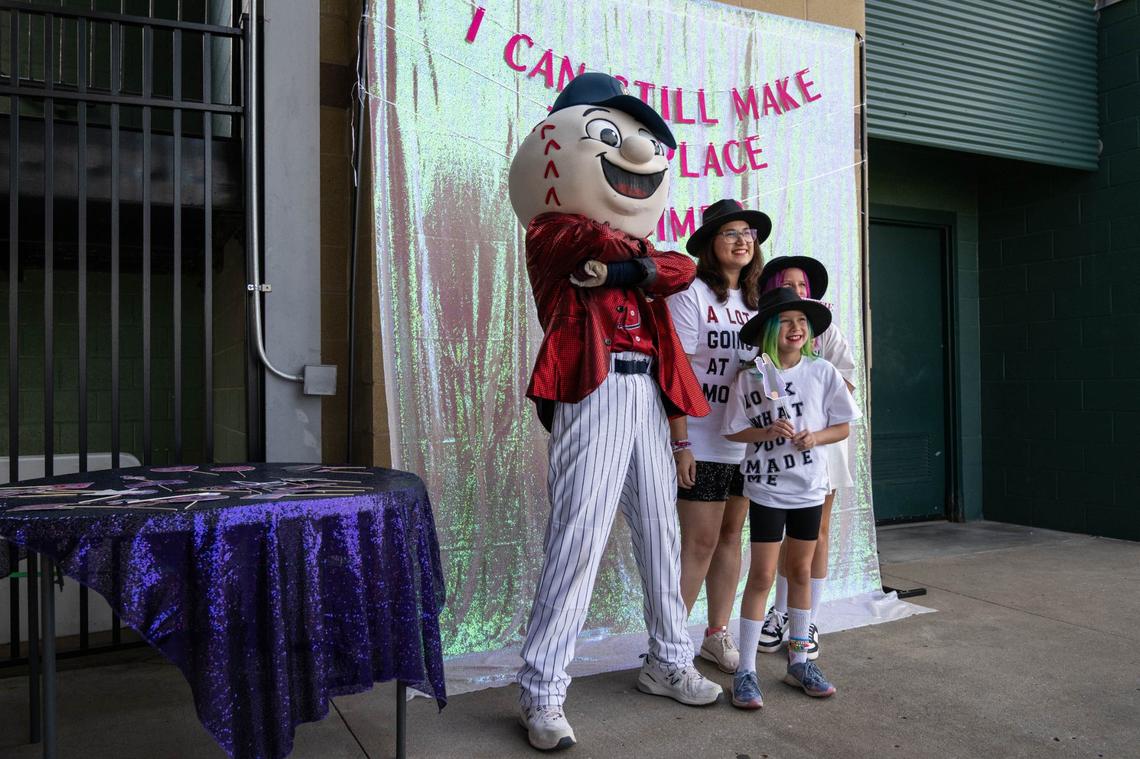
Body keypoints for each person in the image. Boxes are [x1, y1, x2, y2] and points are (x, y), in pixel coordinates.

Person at [506, 73, 721, 752]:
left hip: (646, 397)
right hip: (592, 390)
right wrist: (637, 263)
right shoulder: (551, 229)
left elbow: (683, 268)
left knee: (660, 531)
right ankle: (541, 690)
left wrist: (632, 272)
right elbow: (596, 246)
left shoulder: (634, 248)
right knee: (579, 534)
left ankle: (668, 659)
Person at [721, 287, 861, 708]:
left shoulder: (823, 373)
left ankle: (799, 660)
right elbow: (732, 429)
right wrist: (764, 432)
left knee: (799, 572)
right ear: (768, 329)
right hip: (765, 489)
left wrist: (814, 436)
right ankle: (745, 670)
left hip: (810, 488)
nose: (796, 328)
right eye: (786, 321)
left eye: (802, 321)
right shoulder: (750, 375)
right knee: (762, 576)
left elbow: (843, 426)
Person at [665, 199, 768, 673]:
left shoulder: (759, 304)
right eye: (730, 232)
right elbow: (676, 372)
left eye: (748, 232)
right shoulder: (691, 296)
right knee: (698, 544)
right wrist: (681, 442)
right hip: (702, 441)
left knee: (731, 537)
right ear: (710, 244)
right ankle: (668, 647)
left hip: (745, 443)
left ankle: (715, 634)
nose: (742, 239)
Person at [753, 257, 857, 661]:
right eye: (788, 283)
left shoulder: (827, 331)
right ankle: (780, 613)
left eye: (802, 284)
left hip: (823, 443)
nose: (797, 290)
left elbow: (845, 386)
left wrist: (810, 387)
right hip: (781, 449)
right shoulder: (770, 335)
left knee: (818, 532)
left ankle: (809, 618)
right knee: (783, 533)